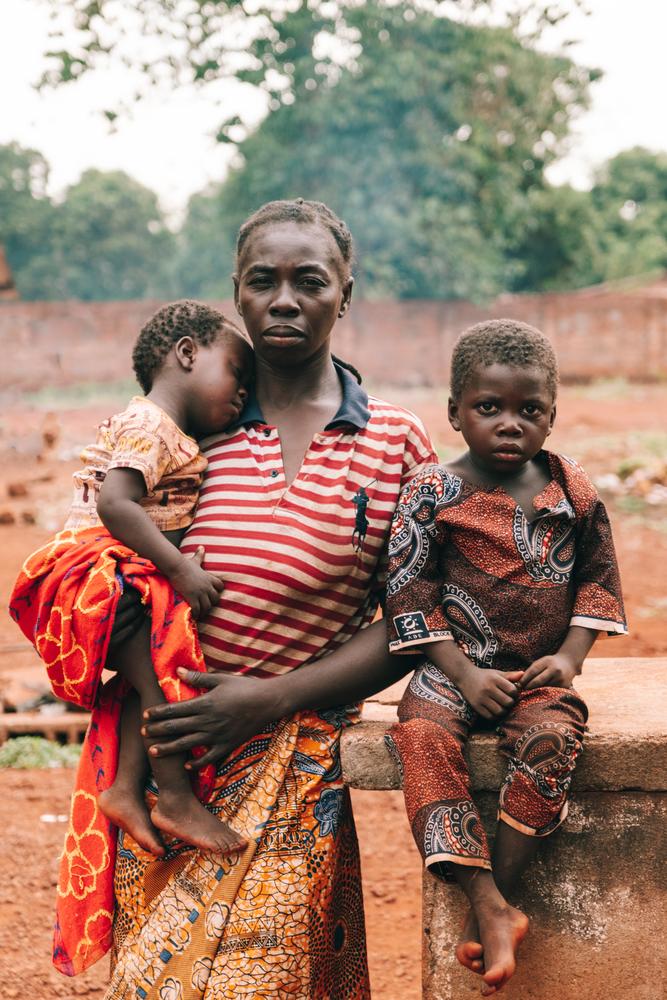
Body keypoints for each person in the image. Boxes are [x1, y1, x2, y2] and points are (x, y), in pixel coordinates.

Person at [33, 199, 437, 993]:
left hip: (292, 759)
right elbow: (103, 570)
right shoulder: (186, 429)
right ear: (238, 293)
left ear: (345, 294)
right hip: (167, 764)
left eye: (309, 280)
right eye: (264, 281)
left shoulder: (396, 442)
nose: (285, 298)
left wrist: (270, 697)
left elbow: (418, 622)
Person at [384, 319, 627, 996]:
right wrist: (461, 672)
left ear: (552, 413)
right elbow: (408, 592)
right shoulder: (428, 492)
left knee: (553, 738)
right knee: (421, 736)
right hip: (449, 670)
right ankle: (487, 903)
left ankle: (498, 897)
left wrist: (571, 658)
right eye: (488, 408)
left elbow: (597, 578)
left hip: (536, 672)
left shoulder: (569, 488)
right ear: (455, 412)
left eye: (529, 410)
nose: (509, 424)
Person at [9, 301, 254, 923]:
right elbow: (118, 506)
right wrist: (180, 570)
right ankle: (171, 796)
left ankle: (123, 788)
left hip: (110, 576)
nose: (243, 390)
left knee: (149, 681)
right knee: (164, 666)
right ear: (188, 354)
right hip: (93, 575)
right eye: (237, 371)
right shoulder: (150, 425)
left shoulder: (177, 432)